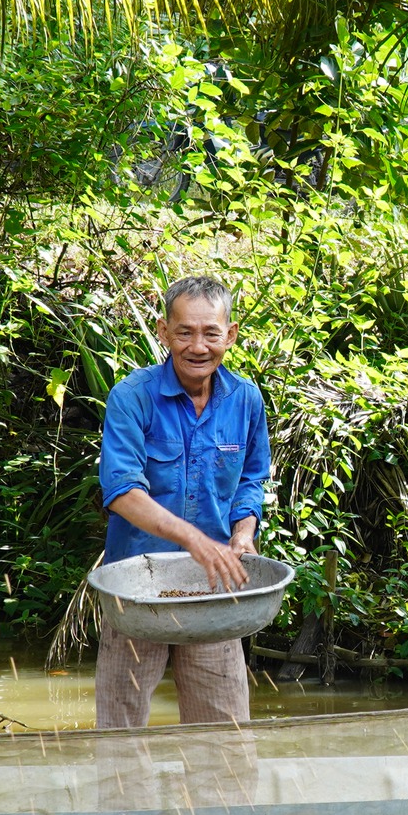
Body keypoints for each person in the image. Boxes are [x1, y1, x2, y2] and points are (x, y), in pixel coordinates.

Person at [92, 275, 270, 729]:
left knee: (225, 733)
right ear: (163, 331)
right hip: (136, 590)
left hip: (213, 588)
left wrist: (242, 533)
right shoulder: (133, 397)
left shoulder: (246, 400)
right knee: (120, 731)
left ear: (229, 335)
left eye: (211, 332)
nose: (198, 345)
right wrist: (194, 538)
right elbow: (122, 493)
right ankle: (124, 801)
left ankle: (223, 802)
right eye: (185, 332)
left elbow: (252, 478)